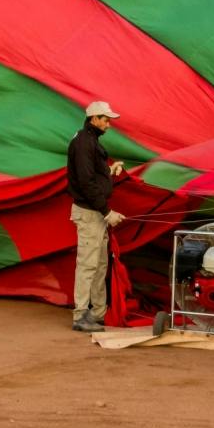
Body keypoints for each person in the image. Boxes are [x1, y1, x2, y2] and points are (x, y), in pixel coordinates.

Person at [66, 100, 127, 332]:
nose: (109, 124)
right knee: (87, 265)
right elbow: (85, 182)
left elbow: (92, 176)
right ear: (94, 119)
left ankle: (97, 313)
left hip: (96, 213)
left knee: (100, 265)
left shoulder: (89, 141)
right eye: (106, 119)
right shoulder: (84, 143)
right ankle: (80, 316)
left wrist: (109, 172)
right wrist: (107, 212)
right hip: (90, 214)